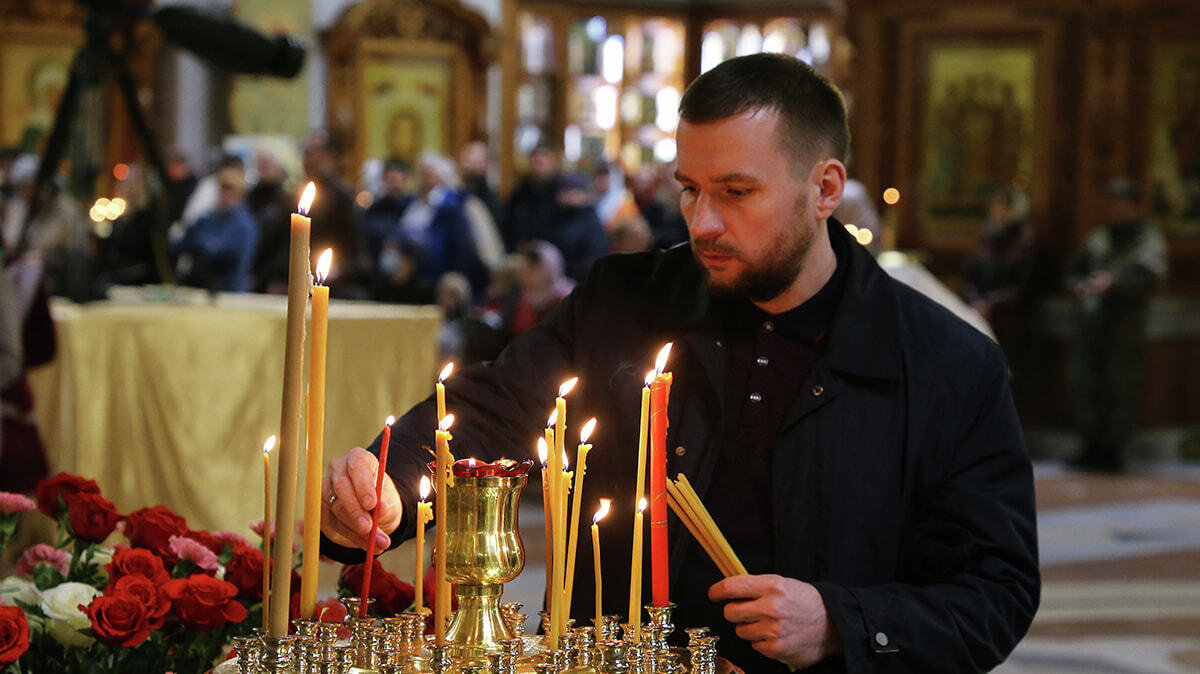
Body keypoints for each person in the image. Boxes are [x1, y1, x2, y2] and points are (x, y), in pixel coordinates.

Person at [319, 53, 1039, 673]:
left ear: (824, 189)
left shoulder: (946, 363)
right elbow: (491, 411)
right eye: (689, 190)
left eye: (736, 192)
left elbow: (994, 589)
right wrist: (389, 482)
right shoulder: (623, 301)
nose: (702, 223)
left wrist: (840, 622)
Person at [1066, 177, 1168, 473]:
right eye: (1113, 205)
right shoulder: (1099, 237)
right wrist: (1081, 286)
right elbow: (1074, 272)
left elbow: (1152, 277)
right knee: (1083, 384)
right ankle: (1089, 446)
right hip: (1090, 327)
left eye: (1123, 205)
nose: (1117, 211)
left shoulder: (1148, 240)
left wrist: (1115, 283)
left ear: (1136, 208)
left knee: (1119, 389)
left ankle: (1113, 450)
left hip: (1123, 329)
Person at [174, 156, 258, 292]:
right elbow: (183, 241)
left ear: (239, 192)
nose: (224, 193)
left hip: (228, 291)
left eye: (229, 189)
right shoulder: (210, 217)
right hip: (204, 289)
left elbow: (223, 254)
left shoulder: (243, 223)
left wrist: (198, 245)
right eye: (222, 188)